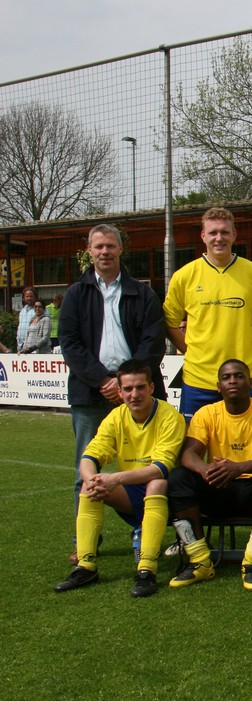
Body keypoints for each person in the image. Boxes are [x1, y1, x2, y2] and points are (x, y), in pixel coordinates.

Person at [60, 224, 167, 564]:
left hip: (138, 391)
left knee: (153, 466)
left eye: (110, 246)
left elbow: (154, 341)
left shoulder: (142, 293)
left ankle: (146, 530)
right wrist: (102, 381)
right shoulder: (75, 294)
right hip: (90, 393)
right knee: (85, 468)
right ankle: (84, 540)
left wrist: (127, 384)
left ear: (121, 249)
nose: (104, 252)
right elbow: (70, 344)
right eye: (99, 246)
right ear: (89, 251)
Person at [54, 360, 185, 597]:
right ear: (120, 391)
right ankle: (86, 566)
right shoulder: (116, 417)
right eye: (128, 389)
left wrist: (116, 479)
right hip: (132, 491)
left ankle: (147, 569)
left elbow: (161, 468)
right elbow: (90, 456)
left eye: (140, 387)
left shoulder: (169, 416)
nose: (134, 395)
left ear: (152, 387)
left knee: (156, 483)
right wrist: (92, 481)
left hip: (171, 498)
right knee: (88, 486)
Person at [167, 359, 252, 591]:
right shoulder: (206, 413)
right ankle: (200, 561)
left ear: (251, 382)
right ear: (218, 386)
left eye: (239, 376)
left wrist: (238, 468)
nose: (232, 381)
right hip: (219, 488)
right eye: (226, 377)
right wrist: (206, 470)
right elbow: (188, 454)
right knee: (178, 477)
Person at [164, 207, 252, 420]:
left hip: (242, 380)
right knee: (193, 440)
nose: (219, 238)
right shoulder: (184, 276)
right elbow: (170, 323)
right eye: (213, 233)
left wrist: (248, 349)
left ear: (234, 234)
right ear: (203, 236)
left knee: (248, 439)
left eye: (224, 232)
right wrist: (192, 351)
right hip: (197, 381)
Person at [16, 286, 37, 351]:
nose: (29, 298)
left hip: (32, 344)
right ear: (24, 298)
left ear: (35, 297)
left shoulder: (39, 310)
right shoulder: (23, 310)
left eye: (31, 296)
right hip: (20, 343)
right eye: (27, 296)